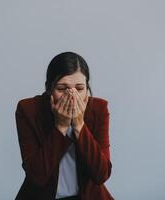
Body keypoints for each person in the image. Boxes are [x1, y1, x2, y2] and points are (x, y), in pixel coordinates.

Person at [14, 52, 114, 200]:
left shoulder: (98, 109)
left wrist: (79, 126)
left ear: (87, 91)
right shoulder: (29, 110)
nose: (72, 97)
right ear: (49, 90)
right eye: (62, 88)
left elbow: (101, 174)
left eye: (79, 88)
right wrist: (61, 126)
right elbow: (37, 176)